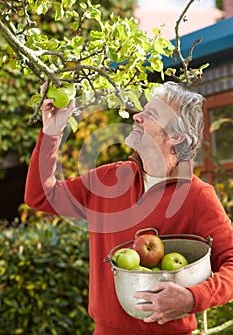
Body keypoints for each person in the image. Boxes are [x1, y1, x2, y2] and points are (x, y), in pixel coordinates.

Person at [25, 81, 233, 335]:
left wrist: (192, 298)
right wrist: (51, 132)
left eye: (151, 115)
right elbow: (40, 196)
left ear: (175, 136)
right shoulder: (110, 178)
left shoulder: (197, 196)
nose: (137, 116)